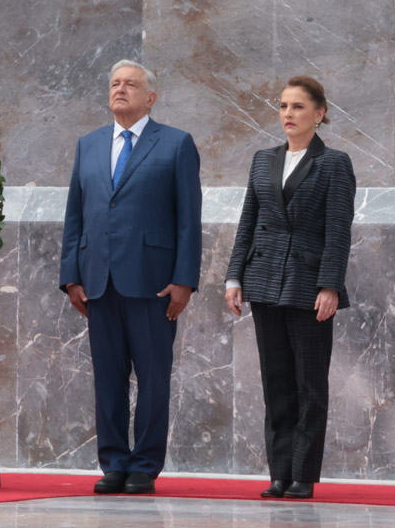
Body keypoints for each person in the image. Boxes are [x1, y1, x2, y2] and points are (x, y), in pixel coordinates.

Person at [59, 59, 202, 495]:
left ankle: (144, 465)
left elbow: (188, 219)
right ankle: (114, 463)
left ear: (151, 97)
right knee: (108, 378)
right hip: (98, 280)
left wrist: (185, 279)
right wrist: (71, 276)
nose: (120, 90)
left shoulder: (176, 144)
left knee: (154, 377)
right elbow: (76, 216)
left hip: (153, 281)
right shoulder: (89, 144)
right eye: (115, 84)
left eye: (131, 85)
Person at [225, 76, 355, 500]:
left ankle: (302, 475)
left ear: (319, 114)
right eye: (283, 106)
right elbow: (248, 220)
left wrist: (330, 285)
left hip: (308, 285)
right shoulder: (264, 160)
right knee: (276, 382)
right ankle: (278, 472)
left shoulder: (334, 163)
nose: (287, 114)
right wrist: (234, 275)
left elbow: (338, 231)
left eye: (298, 107)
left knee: (310, 384)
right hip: (264, 282)